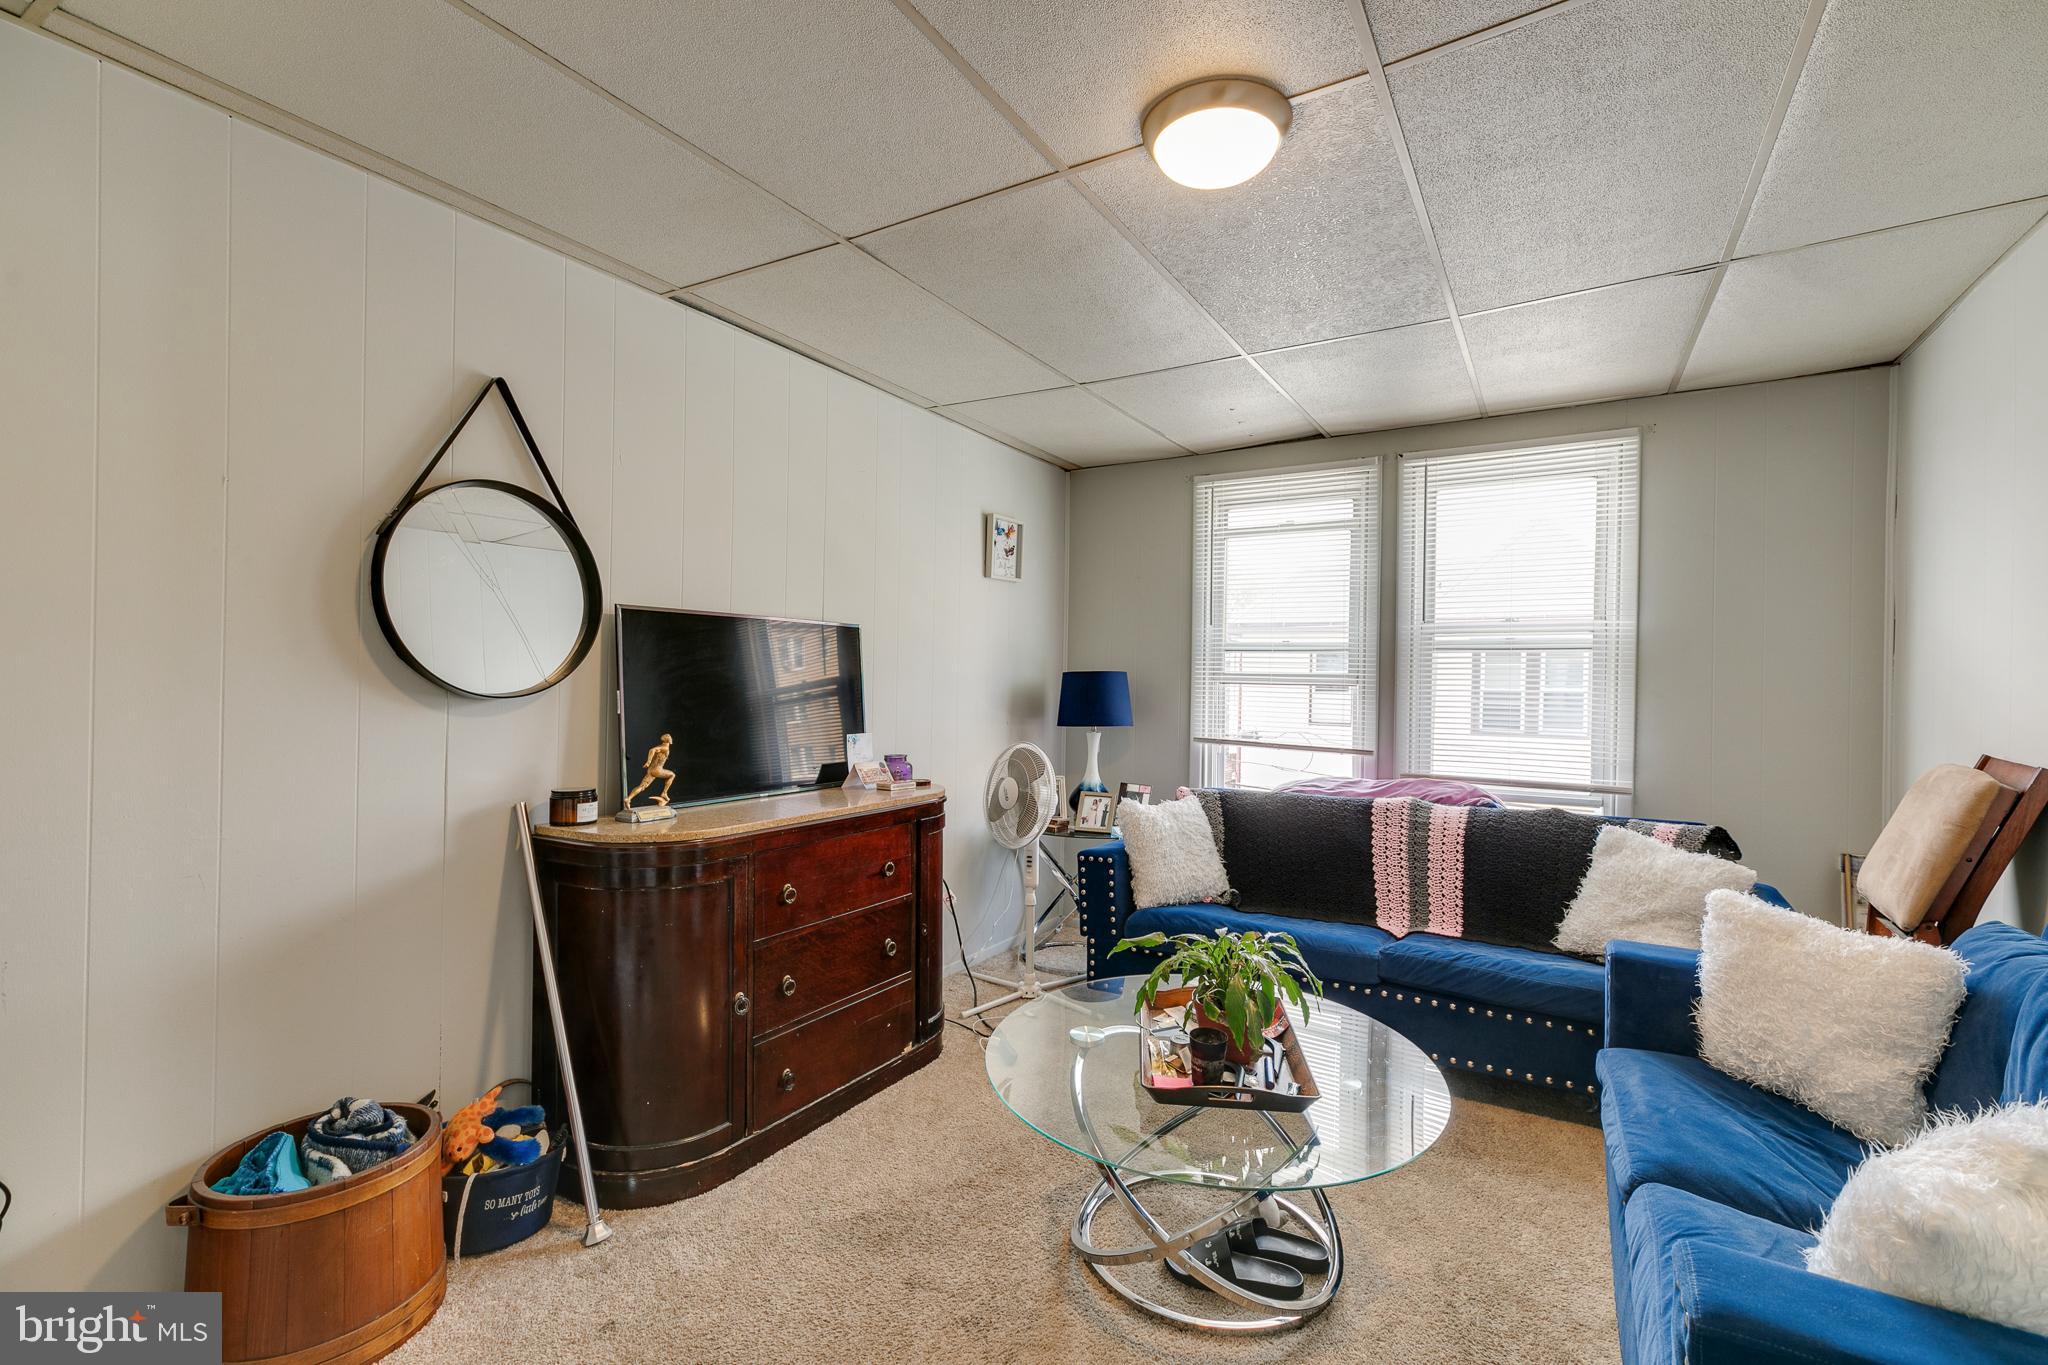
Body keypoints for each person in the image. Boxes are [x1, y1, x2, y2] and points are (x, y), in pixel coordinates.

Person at [624, 733, 676, 807]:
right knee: (672, 775)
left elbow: (653, 750)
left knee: (642, 786)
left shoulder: (661, 746)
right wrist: (648, 762)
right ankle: (664, 793)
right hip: (657, 770)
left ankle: (628, 799)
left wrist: (649, 763)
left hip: (651, 770)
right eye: (670, 738)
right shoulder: (665, 748)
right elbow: (652, 750)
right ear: (669, 740)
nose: (671, 739)